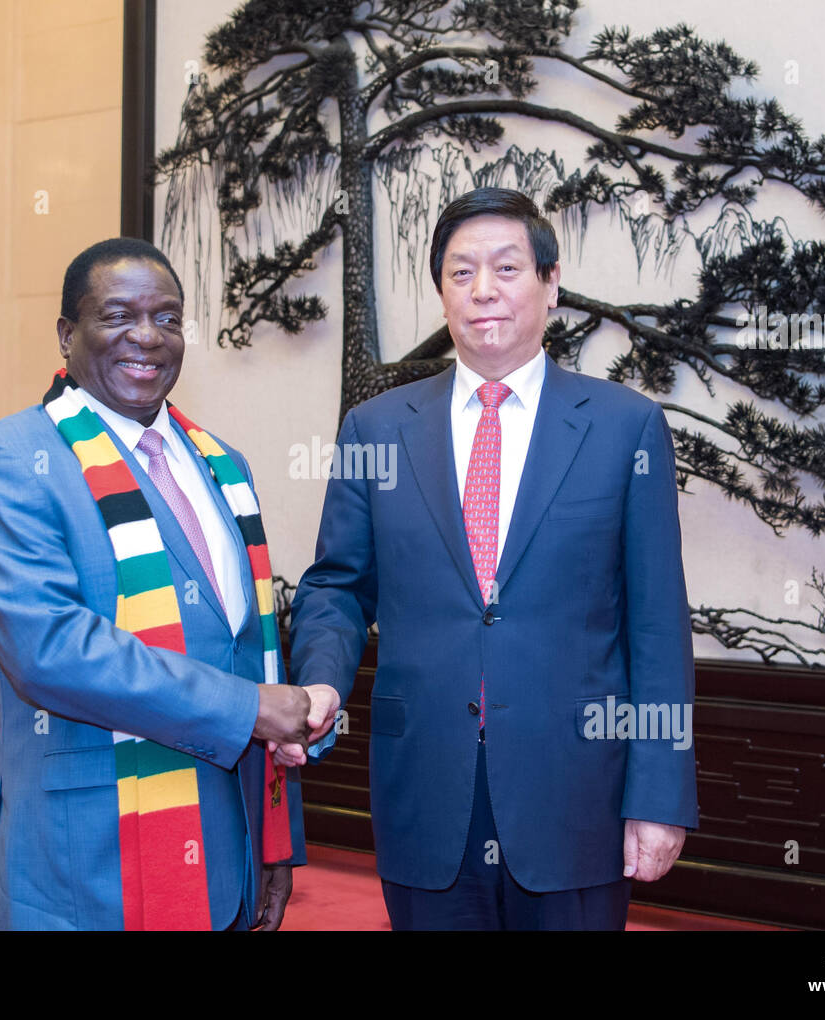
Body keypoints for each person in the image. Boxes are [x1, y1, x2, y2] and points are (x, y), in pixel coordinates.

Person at [283, 187, 698, 930]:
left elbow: (658, 627)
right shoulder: (376, 426)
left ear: (550, 284)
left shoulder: (624, 428)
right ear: (441, 291)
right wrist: (319, 680)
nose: (484, 292)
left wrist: (660, 795)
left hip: (576, 794)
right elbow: (339, 586)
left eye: (506, 268)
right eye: (460, 272)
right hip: (426, 787)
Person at [0, 237, 317, 930]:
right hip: (89, 860)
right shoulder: (7, 461)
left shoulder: (222, 467)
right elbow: (49, 651)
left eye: (168, 317)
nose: (147, 336)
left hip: (229, 852)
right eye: (117, 315)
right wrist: (248, 708)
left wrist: (277, 844)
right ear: (67, 334)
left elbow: (253, 650)